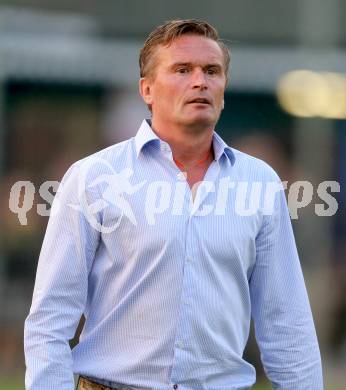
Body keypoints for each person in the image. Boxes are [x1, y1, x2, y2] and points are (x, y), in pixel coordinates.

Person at [24, 19, 323, 390]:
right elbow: (50, 318)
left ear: (224, 88)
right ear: (147, 90)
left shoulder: (260, 183)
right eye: (182, 70)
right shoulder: (93, 178)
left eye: (211, 71)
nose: (200, 81)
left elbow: (287, 322)